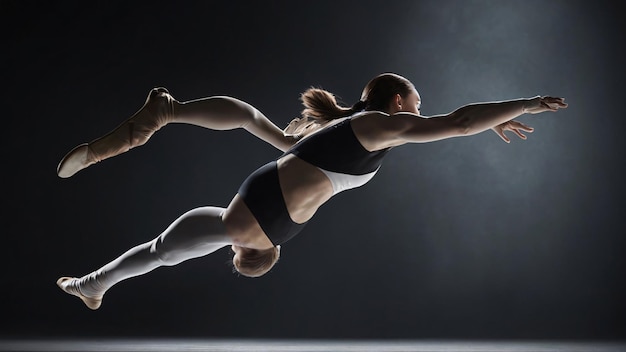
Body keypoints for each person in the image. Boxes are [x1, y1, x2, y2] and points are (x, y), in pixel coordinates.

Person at [56, 73, 567, 310]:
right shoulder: (377, 125)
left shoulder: (349, 131)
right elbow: (457, 122)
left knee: (168, 248)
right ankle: (168, 113)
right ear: (397, 101)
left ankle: (94, 284)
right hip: (264, 209)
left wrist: (492, 120)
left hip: (269, 207)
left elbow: (249, 122)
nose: (420, 109)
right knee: (186, 245)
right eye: (417, 101)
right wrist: (522, 104)